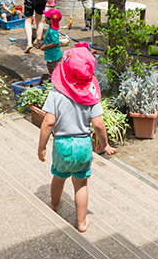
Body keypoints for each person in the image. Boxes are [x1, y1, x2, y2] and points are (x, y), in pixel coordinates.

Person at [37, 45, 116, 233]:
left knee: (58, 177)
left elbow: (48, 122)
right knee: (81, 184)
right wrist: (105, 145)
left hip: (62, 145)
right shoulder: (91, 95)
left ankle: (54, 207)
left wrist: (41, 147)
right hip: (83, 146)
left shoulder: (55, 94)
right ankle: (81, 223)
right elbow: (98, 124)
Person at [40, 9, 64, 83]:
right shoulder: (51, 29)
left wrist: (45, 47)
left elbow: (55, 42)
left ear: (50, 21)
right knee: (52, 67)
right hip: (53, 54)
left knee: (52, 68)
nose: (44, 19)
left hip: (53, 55)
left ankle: (56, 81)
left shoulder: (52, 31)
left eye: (46, 18)